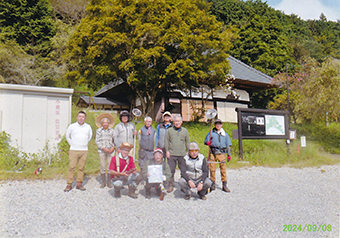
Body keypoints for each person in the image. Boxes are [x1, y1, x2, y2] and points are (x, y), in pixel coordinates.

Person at [64, 111, 93, 192]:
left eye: (83, 117)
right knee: (72, 167)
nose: (81, 118)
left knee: (81, 168)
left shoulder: (88, 127)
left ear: (85, 118)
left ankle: (79, 184)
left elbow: (89, 136)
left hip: (84, 150)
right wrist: (72, 144)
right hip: (74, 150)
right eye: (79, 116)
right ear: (77, 117)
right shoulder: (72, 126)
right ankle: (69, 184)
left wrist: (84, 144)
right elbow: (67, 136)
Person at [204, 119, 232, 192]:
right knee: (212, 169)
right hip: (213, 153)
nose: (218, 125)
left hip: (222, 153)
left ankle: (224, 185)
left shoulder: (225, 134)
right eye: (217, 124)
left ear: (222, 125)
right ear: (215, 125)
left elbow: (228, 144)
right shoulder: (211, 133)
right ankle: (212, 184)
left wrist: (229, 154)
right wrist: (208, 143)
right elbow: (205, 141)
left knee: (223, 169)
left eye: (219, 124)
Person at [165, 115, 190, 193]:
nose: (177, 123)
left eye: (178, 121)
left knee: (183, 171)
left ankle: (183, 186)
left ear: (181, 122)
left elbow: (187, 142)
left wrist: (188, 151)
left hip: (182, 154)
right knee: (171, 170)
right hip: (172, 154)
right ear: (173, 122)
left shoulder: (185, 131)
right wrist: (167, 151)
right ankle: (171, 185)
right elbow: (166, 141)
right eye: (175, 121)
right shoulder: (169, 130)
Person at [95, 113, 115, 188]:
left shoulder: (112, 130)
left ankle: (109, 182)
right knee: (103, 166)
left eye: (107, 122)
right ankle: (103, 182)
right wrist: (103, 148)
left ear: (109, 123)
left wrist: (112, 148)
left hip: (111, 150)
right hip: (102, 151)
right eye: (104, 122)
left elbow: (114, 140)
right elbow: (97, 141)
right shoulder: (99, 131)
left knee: (110, 167)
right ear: (101, 123)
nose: (105, 124)